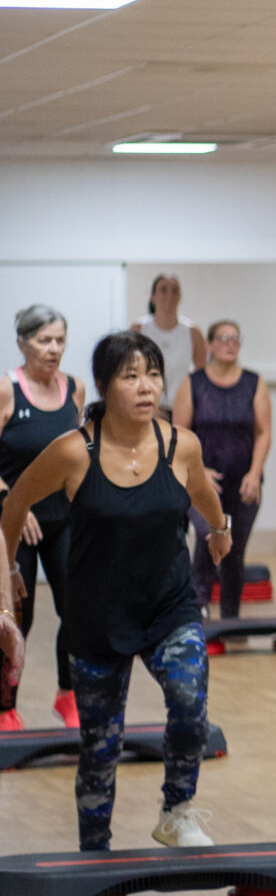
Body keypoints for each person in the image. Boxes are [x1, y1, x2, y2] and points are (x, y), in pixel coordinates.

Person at [0, 330, 228, 852]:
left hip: (170, 606)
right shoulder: (73, 452)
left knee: (190, 702)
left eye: (152, 374)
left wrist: (221, 530)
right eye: (131, 376)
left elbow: (204, 495)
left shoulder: (180, 444)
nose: (146, 387)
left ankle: (177, 809)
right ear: (104, 385)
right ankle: (94, 852)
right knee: (100, 750)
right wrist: (9, 573)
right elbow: (13, 508)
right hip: (97, 618)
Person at [0, 305, 86, 731]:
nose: (54, 349)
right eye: (44, 340)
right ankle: (5, 706)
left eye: (60, 340)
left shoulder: (75, 389)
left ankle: (67, 696)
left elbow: (79, 455)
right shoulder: (6, 390)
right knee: (19, 615)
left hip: (63, 519)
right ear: (22, 342)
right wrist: (17, 503)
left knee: (77, 606)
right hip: (15, 523)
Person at [174, 319, 272, 621]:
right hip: (202, 483)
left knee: (235, 552)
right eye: (224, 338)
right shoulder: (194, 383)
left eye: (236, 339)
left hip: (243, 483)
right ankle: (198, 609)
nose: (231, 344)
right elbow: (179, 433)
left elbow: (263, 432)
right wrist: (199, 471)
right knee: (207, 537)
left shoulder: (254, 383)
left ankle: (231, 618)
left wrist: (255, 473)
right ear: (210, 345)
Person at [132, 273, 205, 403]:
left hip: (182, 406)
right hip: (147, 405)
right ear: (152, 296)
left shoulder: (192, 332)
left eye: (174, 290)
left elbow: (202, 375)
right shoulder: (139, 329)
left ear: (180, 297)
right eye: (163, 290)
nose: (169, 295)